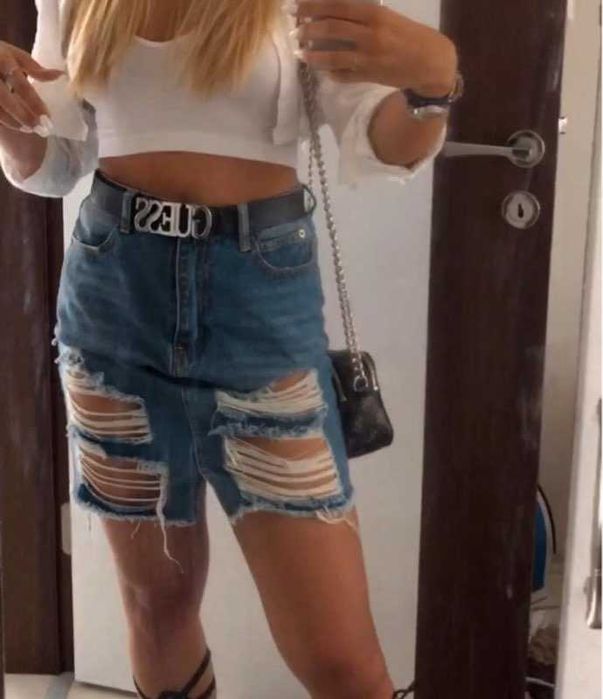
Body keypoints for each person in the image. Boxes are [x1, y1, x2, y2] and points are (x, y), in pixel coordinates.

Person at [0, 1, 457, 697]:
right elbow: (58, 160)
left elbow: (378, 137)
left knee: (339, 658)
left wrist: (431, 85)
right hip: (113, 303)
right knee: (155, 606)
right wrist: (8, 114)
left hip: (259, 308)